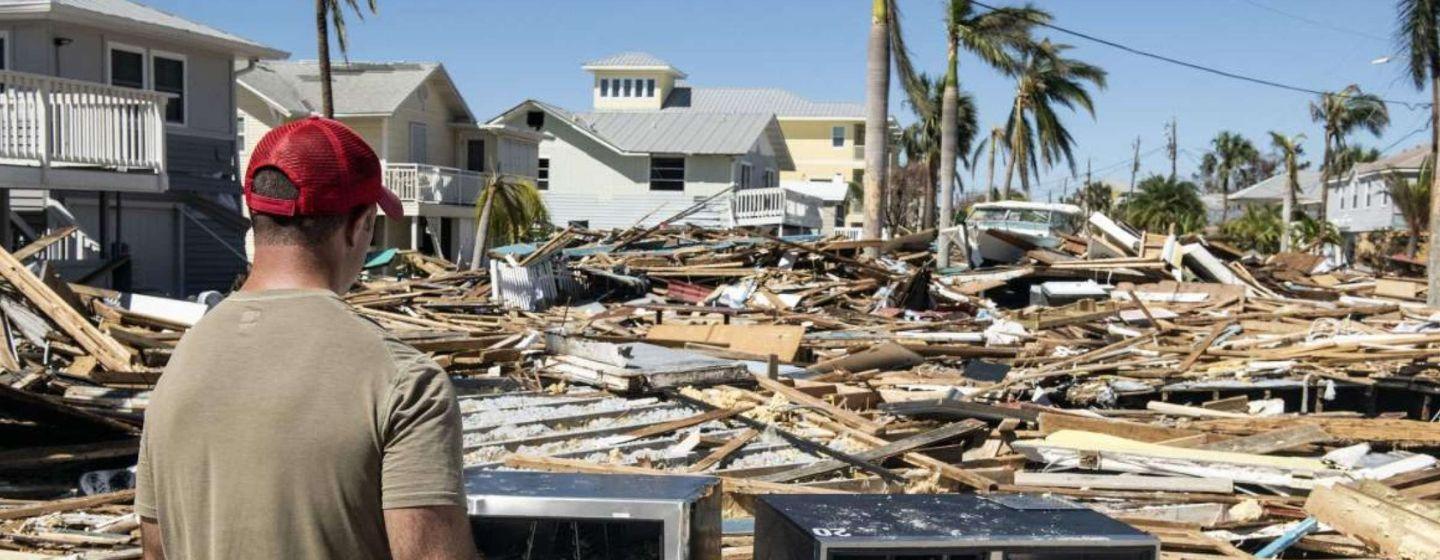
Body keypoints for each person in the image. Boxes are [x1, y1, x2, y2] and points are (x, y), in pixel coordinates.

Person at [136, 116, 478, 560]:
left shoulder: (179, 367)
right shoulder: (404, 383)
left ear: (256, 218)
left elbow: (155, 551)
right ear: (359, 227)